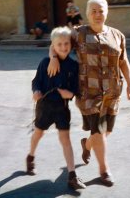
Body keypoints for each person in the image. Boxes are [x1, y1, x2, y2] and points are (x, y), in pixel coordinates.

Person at [48, 0, 130, 187]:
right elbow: (56, 42)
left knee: (105, 132)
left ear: (106, 12)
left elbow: (123, 61)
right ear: (87, 13)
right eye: (93, 11)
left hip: (112, 92)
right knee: (100, 131)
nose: (97, 14)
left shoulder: (117, 35)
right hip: (89, 93)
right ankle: (104, 171)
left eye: (101, 10)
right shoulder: (77, 33)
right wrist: (53, 57)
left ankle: (86, 145)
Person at [26, 26, 86, 190]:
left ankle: (72, 176)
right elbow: (36, 81)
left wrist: (70, 94)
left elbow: (75, 89)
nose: (63, 47)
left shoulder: (73, 66)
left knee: (65, 139)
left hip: (62, 108)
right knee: (38, 133)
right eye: (59, 44)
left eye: (66, 43)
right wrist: (36, 91)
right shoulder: (45, 62)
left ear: (71, 45)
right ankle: (30, 156)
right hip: (44, 106)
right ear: (53, 45)